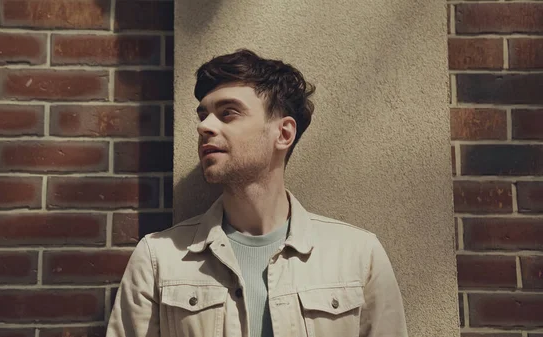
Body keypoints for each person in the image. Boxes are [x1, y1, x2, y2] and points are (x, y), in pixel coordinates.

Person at [106, 49, 408, 337]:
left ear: (283, 134)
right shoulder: (160, 258)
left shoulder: (358, 256)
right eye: (203, 115)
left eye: (228, 113)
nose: (204, 127)